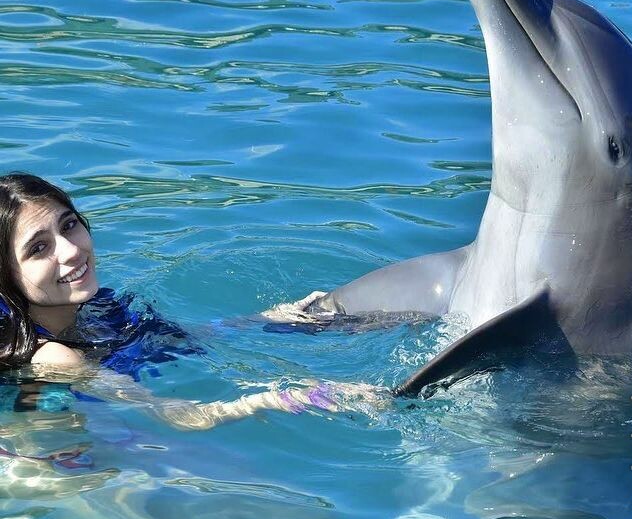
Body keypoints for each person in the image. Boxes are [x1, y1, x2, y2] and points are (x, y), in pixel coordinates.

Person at [0, 173, 384, 429]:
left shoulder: (85, 307)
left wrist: (266, 320)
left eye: (69, 225)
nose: (70, 250)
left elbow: (164, 344)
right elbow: (183, 416)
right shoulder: (54, 357)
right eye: (38, 248)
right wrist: (298, 397)